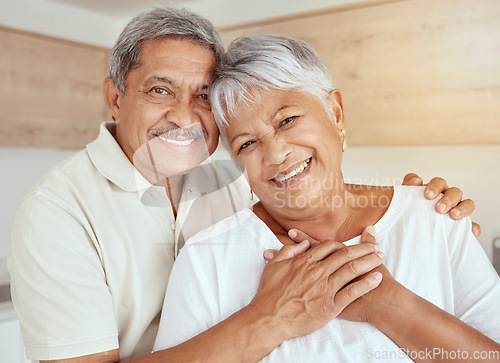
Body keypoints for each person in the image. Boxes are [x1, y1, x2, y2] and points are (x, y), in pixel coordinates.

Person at [8, 7, 479, 363]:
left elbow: (308, 187)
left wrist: (422, 212)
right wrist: (272, 317)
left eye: (202, 98)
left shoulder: (227, 179)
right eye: (160, 90)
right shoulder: (56, 213)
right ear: (115, 97)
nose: (184, 116)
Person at [153, 33, 500, 361]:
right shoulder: (204, 259)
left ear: (335, 113)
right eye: (247, 143)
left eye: (287, 120)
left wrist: (387, 303)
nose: (275, 154)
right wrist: (269, 317)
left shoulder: (434, 215)